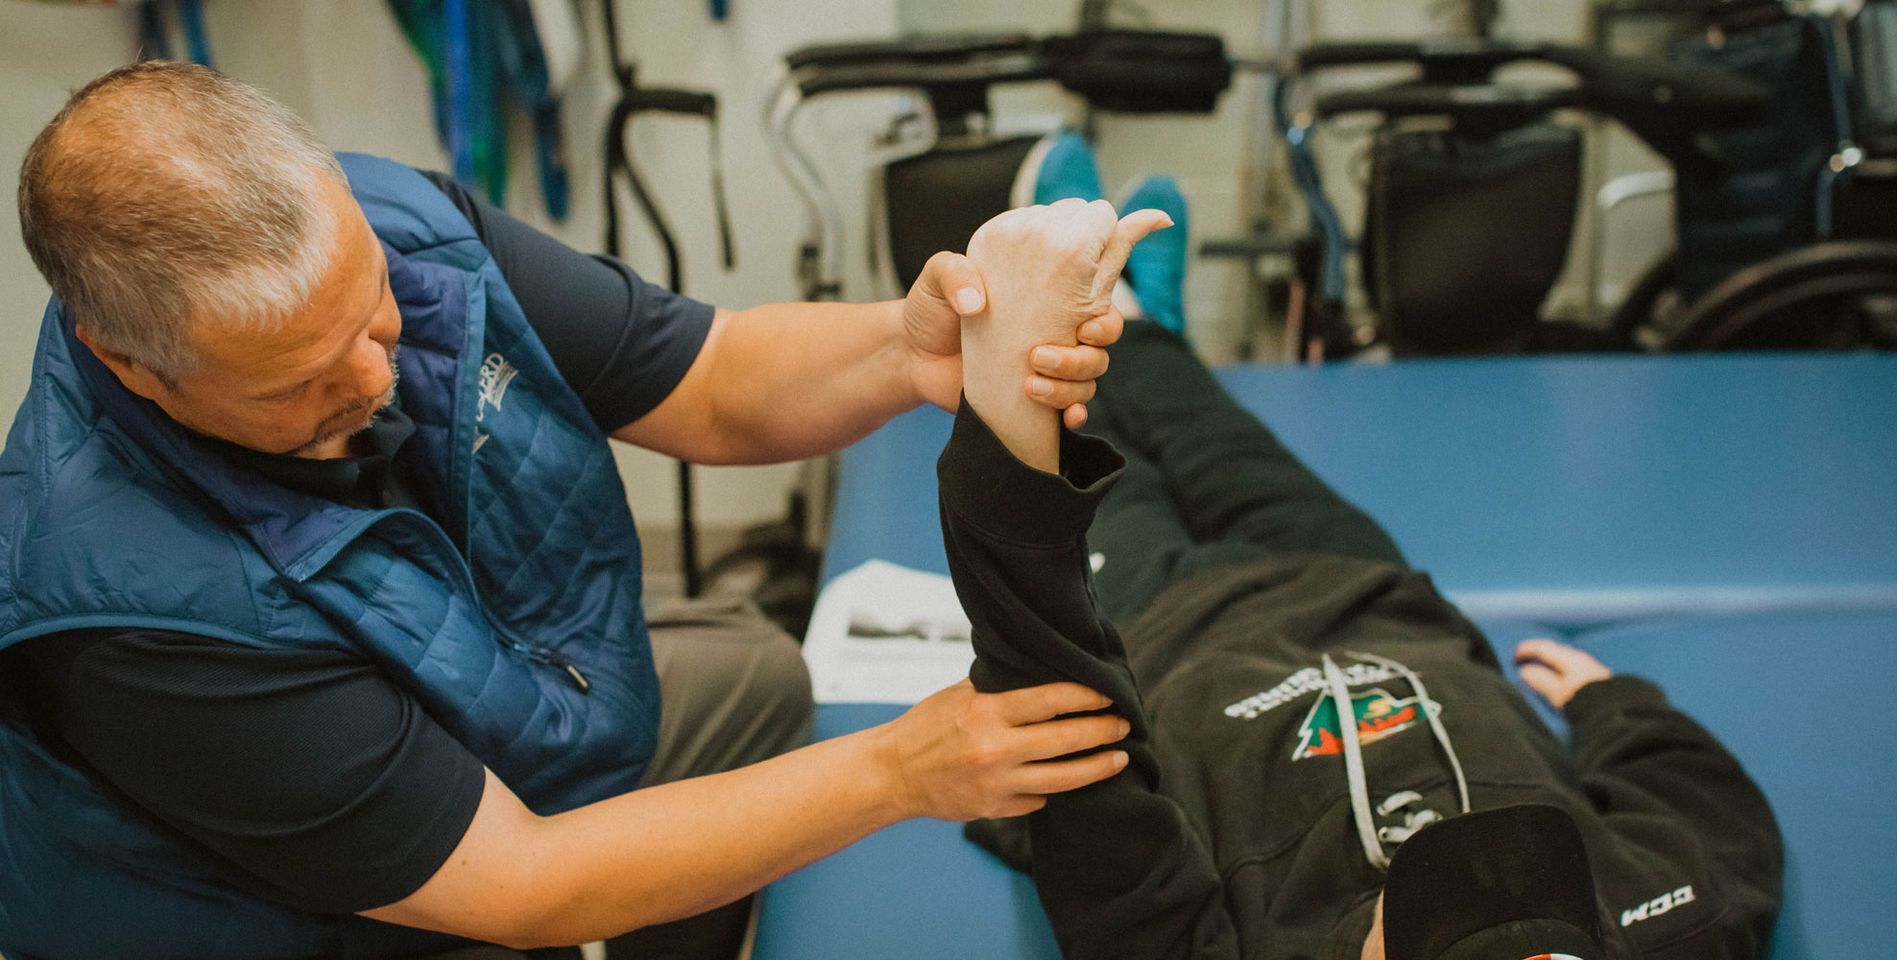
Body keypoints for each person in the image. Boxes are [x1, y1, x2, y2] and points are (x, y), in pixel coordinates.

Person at [0, 60, 1164, 959]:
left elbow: (708, 378)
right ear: (129, 362)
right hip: (301, 919)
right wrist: (905, 770)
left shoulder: (396, 223)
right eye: (295, 383)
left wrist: (905, 351)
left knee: (751, 680)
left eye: (370, 315)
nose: (370, 380)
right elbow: (523, 885)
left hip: (462, 722)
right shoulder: (128, 609)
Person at [930, 211, 1785, 959]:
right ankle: (1147, 325)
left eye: (1437, 896)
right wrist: (1619, 709)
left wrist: (1004, 390)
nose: (1455, 845)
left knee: (1094, 453)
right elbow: (1712, 817)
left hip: (1162, 625)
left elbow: (1098, 828)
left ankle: (1101, 324)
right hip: (1364, 587)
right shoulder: (1665, 927)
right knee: (1219, 443)